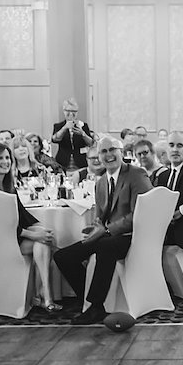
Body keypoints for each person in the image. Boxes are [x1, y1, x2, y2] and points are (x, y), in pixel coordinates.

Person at [53, 136, 152, 324]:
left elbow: (140, 213)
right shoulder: (101, 182)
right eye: (103, 151)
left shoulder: (136, 174)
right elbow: (100, 217)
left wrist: (106, 231)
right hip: (109, 236)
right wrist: (97, 228)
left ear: (121, 152)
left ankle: (96, 307)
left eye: (112, 149)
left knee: (105, 245)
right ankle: (90, 298)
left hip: (134, 236)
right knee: (63, 256)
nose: (108, 155)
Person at [0, 143, 58, 311]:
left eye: (7, 158)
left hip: (13, 237)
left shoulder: (8, 187)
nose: (5, 161)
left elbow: (23, 216)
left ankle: (41, 296)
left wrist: (41, 229)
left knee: (45, 238)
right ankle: (44, 296)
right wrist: (33, 235)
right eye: (0, 158)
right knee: (41, 242)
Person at [51, 98, 94, 170]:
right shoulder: (58, 126)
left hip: (80, 161)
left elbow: (91, 143)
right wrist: (65, 128)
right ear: (64, 111)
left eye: (74, 111)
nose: (71, 114)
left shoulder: (83, 125)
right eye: (68, 111)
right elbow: (54, 139)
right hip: (63, 161)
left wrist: (83, 134)